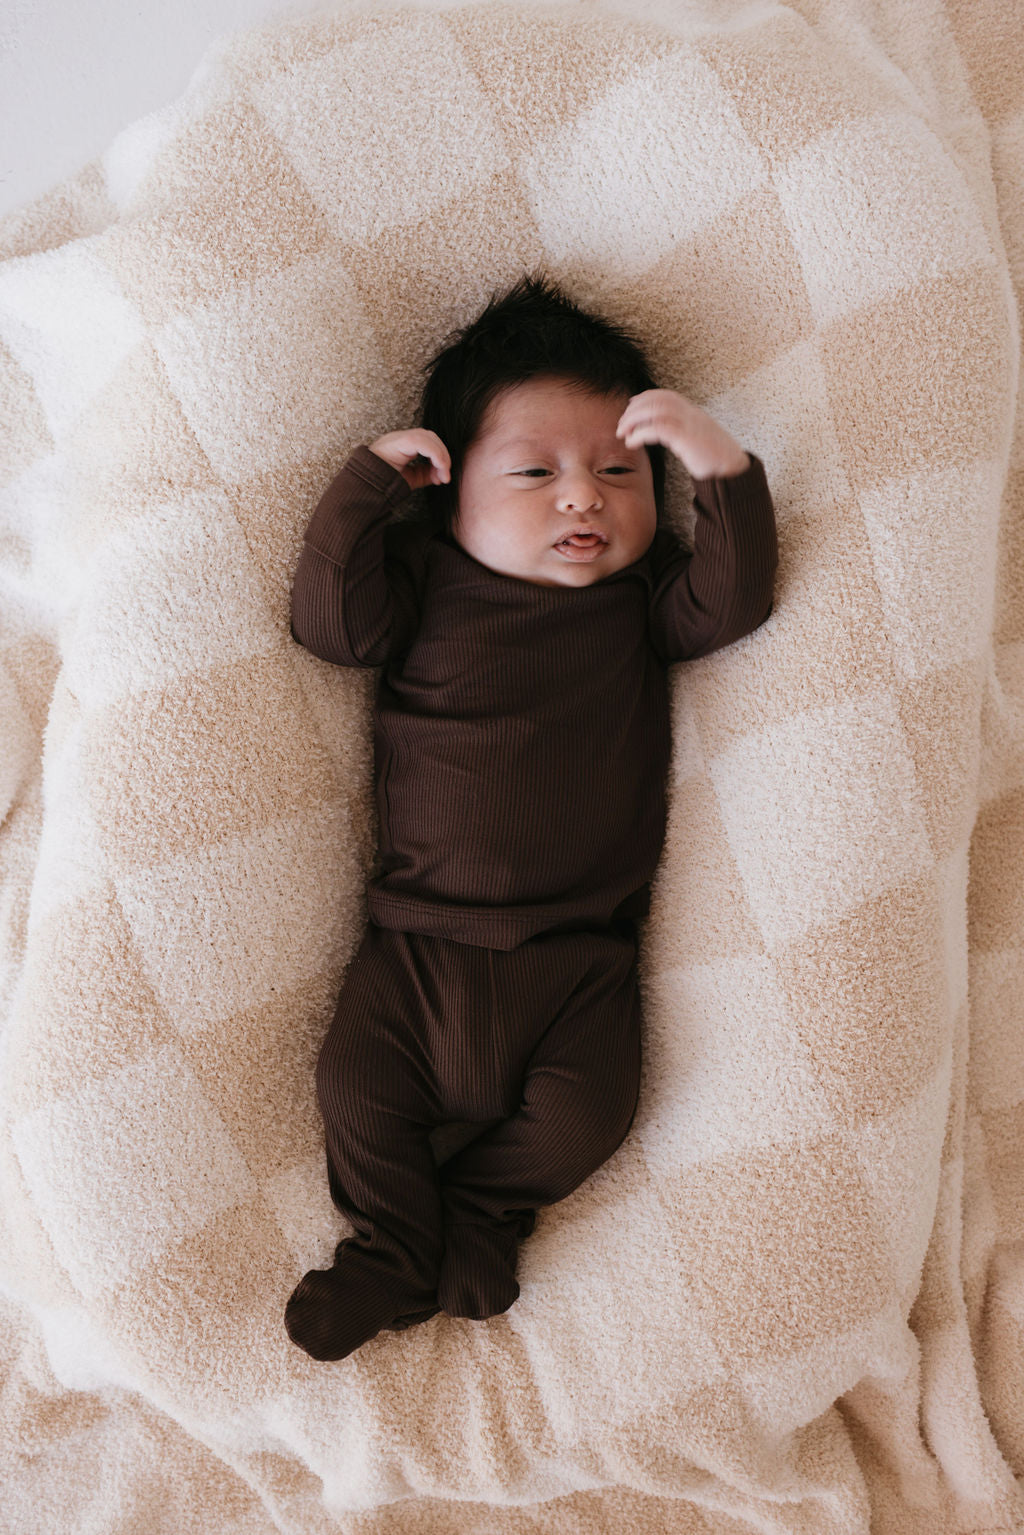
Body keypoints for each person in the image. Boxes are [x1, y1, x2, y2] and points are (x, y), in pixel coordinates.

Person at [284, 274, 778, 1360]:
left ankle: (481, 1209)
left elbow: (734, 600)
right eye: (534, 472)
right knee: (354, 1090)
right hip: (417, 948)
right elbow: (329, 627)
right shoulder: (424, 581)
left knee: (589, 1116)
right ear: (448, 494)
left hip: (579, 961)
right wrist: (365, 490)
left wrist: (721, 468)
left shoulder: (642, 605)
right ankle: (394, 1244)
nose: (583, 498)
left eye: (619, 471)